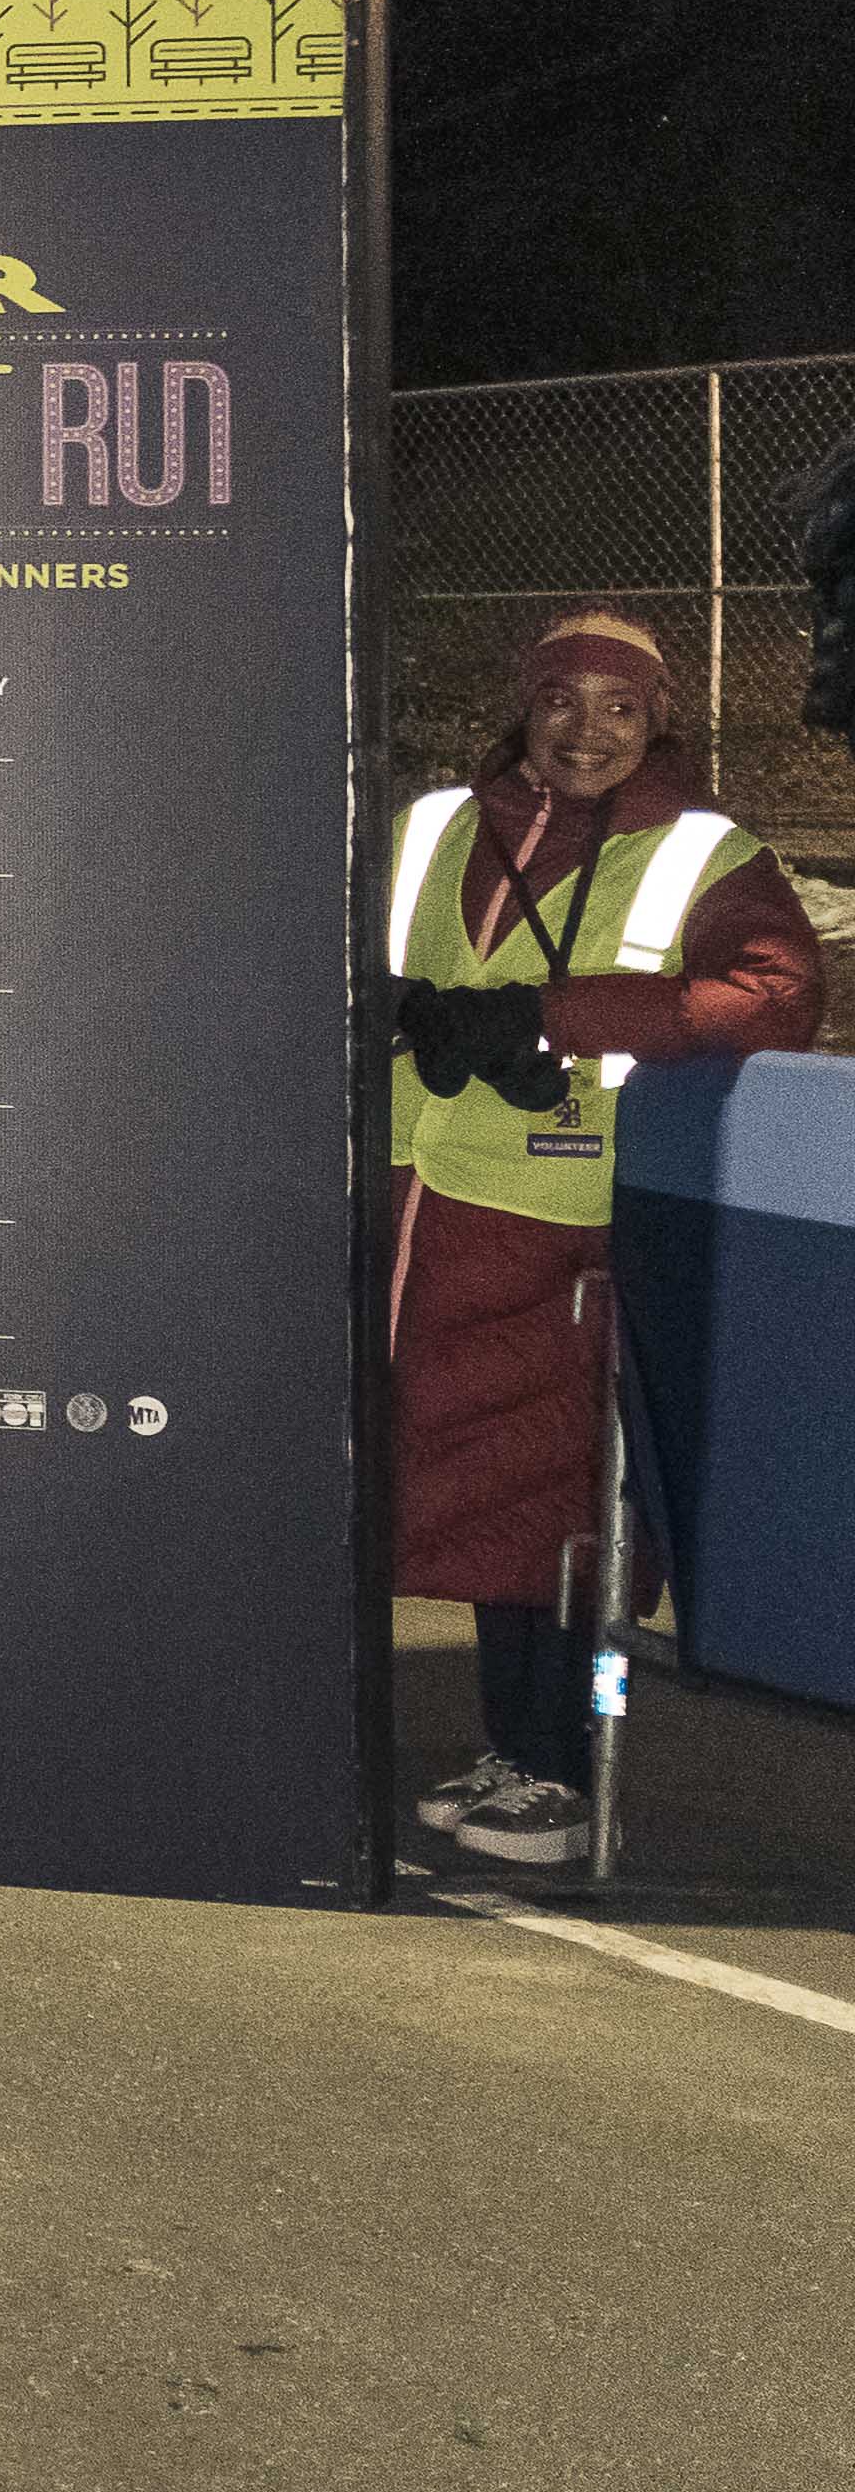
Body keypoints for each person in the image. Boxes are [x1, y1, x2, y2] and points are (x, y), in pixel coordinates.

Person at [383, 608, 819, 1868]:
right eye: (561, 701)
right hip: (426, 1206)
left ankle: (566, 1771)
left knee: (569, 1511)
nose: (587, 731)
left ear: (658, 722)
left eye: (620, 708)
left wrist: (553, 1017)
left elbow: (777, 994)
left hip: (574, 1227)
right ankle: (512, 1748)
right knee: (479, 1505)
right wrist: (413, 1011)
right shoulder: (434, 826)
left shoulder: (702, 850)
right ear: (522, 709)